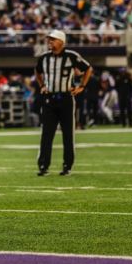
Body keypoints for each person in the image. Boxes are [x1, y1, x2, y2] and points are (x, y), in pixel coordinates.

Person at [33, 29, 92, 176]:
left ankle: (67, 166)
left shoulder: (71, 56)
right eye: (49, 39)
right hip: (49, 99)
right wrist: (42, 86)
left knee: (68, 134)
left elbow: (88, 68)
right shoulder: (44, 57)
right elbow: (37, 71)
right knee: (46, 134)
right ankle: (43, 166)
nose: (50, 42)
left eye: (53, 39)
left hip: (66, 98)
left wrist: (82, 86)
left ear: (61, 42)